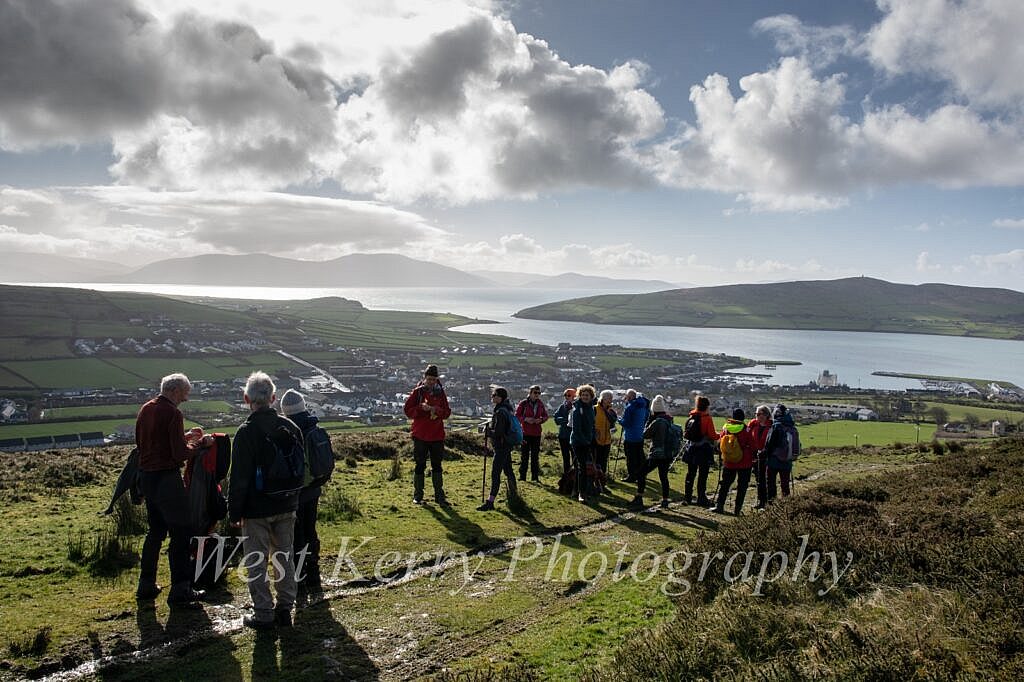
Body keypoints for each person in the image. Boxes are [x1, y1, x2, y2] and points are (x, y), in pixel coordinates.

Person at [229, 371, 301, 630]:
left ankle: (263, 613)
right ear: (273, 398)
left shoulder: (246, 432)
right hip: (286, 504)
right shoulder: (290, 427)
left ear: (246, 398)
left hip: (256, 508)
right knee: (285, 557)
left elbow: (238, 478)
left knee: (256, 562)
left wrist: (233, 512)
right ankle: (285, 609)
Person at [135, 372, 209, 606]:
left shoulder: (146, 409)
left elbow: (147, 443)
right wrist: (199, 443)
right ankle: (181, 589)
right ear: (175, 390)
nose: (185, 399)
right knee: (181, 532)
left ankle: (146, 583)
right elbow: (179, 454)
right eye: (185, 393)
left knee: (155, 532)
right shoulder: (173, 413)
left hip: (147, 477)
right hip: (167, 478)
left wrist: (182, 437)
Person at [279, 389, 323, 598]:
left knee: (297, 536)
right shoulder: (313, 425)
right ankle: (314, 573)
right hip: (313, 488)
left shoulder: (285, 430)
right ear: (303, 405)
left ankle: (300, 577)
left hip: (295, 490)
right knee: (310, 530)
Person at [403, 364, 452, 505]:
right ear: (424, 378)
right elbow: (407, 410)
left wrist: (435, 409)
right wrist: (420, 408)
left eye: (433, 379)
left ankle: (439, 496)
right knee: (420, 465)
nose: (431, 382)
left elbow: (447, 412)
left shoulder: (440, 393)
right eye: (429, 379)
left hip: (437, 435)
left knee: (437, 465)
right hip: (420, 435)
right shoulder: (417, 392)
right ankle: (418, 495)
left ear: (437, 379)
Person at [478, 387, 519, 511]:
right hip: (507, 445)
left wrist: (487, 431)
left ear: (500, 397)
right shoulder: (508, 409)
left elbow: (499, 432)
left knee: (495, 473)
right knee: (508, 471)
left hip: (501, 447)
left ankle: (490, 502)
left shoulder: (500, 412)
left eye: (494, 395)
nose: (492, 397)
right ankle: (514, 495)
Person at [631, 394, 672, 509]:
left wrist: (648, 422)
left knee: (641, 473)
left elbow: (645, 435)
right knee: (663, 476)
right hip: (667, 453)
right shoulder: (669, 420)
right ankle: (665, 500)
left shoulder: (656, 422)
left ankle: (639, 497)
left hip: (656, 453)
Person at [711, 408, 755, 515]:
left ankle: (719, 505)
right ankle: (737, 509)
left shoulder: (726, 428)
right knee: (742, 486)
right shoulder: (746, 429)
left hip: (729, 461)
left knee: (725, 484)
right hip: (744, 462)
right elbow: (752, 445)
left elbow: (720, 442)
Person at [683, 395, 719, 506]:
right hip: (703, 449)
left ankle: (687, 497)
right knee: (703, 475)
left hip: (691, 448)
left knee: (691, 473)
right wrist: (720, 435)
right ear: (707, 406)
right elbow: (712, 435)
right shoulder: (706, 418)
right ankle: (701, 498)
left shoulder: (691, 416)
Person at [763, 404, 797, 504]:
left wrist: (765, 454)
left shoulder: (775, 425)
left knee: (771, 483)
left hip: (773, 459)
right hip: (787, 460)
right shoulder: (792, 427)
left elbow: (769, 443)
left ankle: (771, 503)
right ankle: (786, 505)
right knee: (785, 484)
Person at [569, 384, 597, 502]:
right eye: (583, 395)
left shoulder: (590, 408)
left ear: (591, 397)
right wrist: (585, 441)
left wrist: (591, 438)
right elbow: (576, 429)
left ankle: (578, 491)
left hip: (587, 441)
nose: (585, 397)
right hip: (578, 441)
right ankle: (581, 493)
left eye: (587, 395)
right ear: (579, 396)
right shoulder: (577, 410)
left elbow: (591, 425)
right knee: (582, 467)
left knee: (582, 467)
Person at [515, 385, 548, 482]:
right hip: (525, 433)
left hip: (536, 433)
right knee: (524, 456)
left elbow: (545, 416)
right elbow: (517, 416)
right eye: (535, 393)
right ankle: (522, 477)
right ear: (530, 393)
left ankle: (535, 477)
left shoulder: (540, 404)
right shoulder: (523, 404)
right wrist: (525, 419)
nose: (537, 395)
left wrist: (541, 420)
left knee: (535, 457)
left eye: (539, 393)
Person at [619, 389, 649, 482]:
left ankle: (631, 476)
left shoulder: (630, 407)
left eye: (626, 397)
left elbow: (626, 423)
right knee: (639, 456)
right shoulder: (644, 406)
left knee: (631, 458)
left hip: (630, 436)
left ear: (630, 397)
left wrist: (619, 420)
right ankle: (641, 474)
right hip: (639, 435)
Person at [747, 405, 773, 510]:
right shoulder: (753, 425)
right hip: (755, 456)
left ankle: (767, 502)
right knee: (758, 479)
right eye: (756, 414)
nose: (757, 416)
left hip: (766, 457)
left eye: (759, 414)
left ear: (766, 415)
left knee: (765, 480)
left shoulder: (771, 426)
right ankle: (761, 501)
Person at [593, 390, 617, 477]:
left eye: (611, 398)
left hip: (607, 440)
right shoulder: (595, 409)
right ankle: (595, 477)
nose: (611, 400)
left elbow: (613, 422)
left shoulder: (611, 411)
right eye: (609, 398)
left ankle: (602, 478)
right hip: (596, 440)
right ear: (603, 398)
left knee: (604, 460)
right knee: (596, 460)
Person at [552, 388, 576, 475]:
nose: (566, 397)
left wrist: (563, 420)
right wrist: (565, 420)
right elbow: (556, 418)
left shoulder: (576, 407)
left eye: (568, 395)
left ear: (574, 396)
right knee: (565, 457)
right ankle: (567, 475)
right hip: (563, 436)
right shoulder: (562, 406)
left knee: (575, 457)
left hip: (574, 436)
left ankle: (576, 475)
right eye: (565, 395)